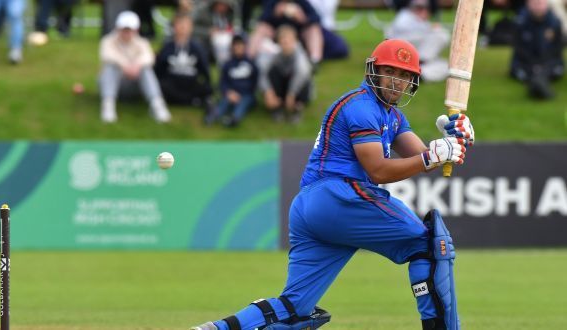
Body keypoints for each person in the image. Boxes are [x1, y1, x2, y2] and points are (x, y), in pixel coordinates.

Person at [190, 39, 475, 330]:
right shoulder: (361, 106)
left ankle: (217, 329)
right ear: (373, 71)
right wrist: (432, 157)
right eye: (391, 72)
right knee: (429, 244)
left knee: (296, 307)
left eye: (404, 76)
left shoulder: (393, 115)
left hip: (311, 208)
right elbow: (378, 170)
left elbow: (422, 157)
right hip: (339, 195)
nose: (397, 82)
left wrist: (453, 141)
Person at [99, 10, 171, 123]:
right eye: (124, 29)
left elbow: (149, 57)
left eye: (130, 30)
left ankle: (157, 104)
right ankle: (108, 105)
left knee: (146, 69)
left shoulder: (142, 43)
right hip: (116, 84)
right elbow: (107, 55)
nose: (126, 33)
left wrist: (137, 65)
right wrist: (125, 65)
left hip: (136, 86)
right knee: (110, 67)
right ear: (118, 28)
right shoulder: (107, 41)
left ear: (136, 30)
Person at [155, 13, 215, 121]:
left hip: (190, 82)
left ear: (191, 28)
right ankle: (192, 101)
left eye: (186, 25)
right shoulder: (168, 47)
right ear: (174, 27)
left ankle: (189, 101)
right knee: (162, 86)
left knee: (207, 88)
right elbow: (159, 68)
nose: (182, 28)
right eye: (179, 25)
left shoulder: (197, 47)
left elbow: (204, 69)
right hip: (173, 82)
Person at [510, 0, 564, 99]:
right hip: (526, 63)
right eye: (534, 3)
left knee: (552, 69)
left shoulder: (555, 23)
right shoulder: (520, 22)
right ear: (528, 4)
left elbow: (557, 49)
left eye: (540, 3)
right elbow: (519, 49)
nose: (537, 7)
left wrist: (541, 65)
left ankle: (536, 84)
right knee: (521, 70)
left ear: (546, 4)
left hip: (548, 63)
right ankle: (539, 84)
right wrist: (534, 65)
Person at [386, 0, 450, 82]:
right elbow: (400, 29)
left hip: (419, 49)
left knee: (446, 67)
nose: (423, 11)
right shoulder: (404, 17)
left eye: (426, 8)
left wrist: (427, 25)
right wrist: (428, 27)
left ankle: (418, 73)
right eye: (419, 8)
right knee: (440, 35)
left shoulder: (425, 23)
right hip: (402, 47)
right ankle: (416, 67)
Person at [262, 25, 312, 124]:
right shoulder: (275, 55)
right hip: (284, 85)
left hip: (297, 88)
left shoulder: (300, 56)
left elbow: (302, 73)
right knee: (273, 72)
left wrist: (291, 94)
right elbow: (262, 71)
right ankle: (277, 105)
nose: (285, 45)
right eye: (282, 42)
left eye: (288, 41)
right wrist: (268, 91)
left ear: (295, 41)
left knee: (304, 79)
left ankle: (297, 107)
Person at [248, 0, 323, 66]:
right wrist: (274, 14)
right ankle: (248, 61)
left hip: (297, 35)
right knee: (261, 28)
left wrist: (302, 17)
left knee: (314, 29)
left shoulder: (301, 2)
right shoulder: (273, 2)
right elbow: (262, 19)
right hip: (277, 34)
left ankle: (314, 61)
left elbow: (316, 18)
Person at [214, 34, 259, 127]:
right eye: (236, 45)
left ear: (246, 46)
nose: (239, 47)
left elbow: (255, 82)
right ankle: (214, 115)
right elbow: (223, 83)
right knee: (224, 101)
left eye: (241, 45)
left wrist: (243, 93)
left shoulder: (251, 64)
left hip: (246, 94)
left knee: (243, 103)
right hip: (231, 93)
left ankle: (235, 118)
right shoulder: (228, 64)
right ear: (232, 47)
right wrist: (229, 92)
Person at [192, 0, 239, 66]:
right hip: (207, 42)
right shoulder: (202, 11)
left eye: (225, 5)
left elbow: (234, 28)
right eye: (221, 4)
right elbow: (191, 28)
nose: (223, 7)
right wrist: (208, 32)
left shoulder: (229, 14)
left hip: (226, 42)